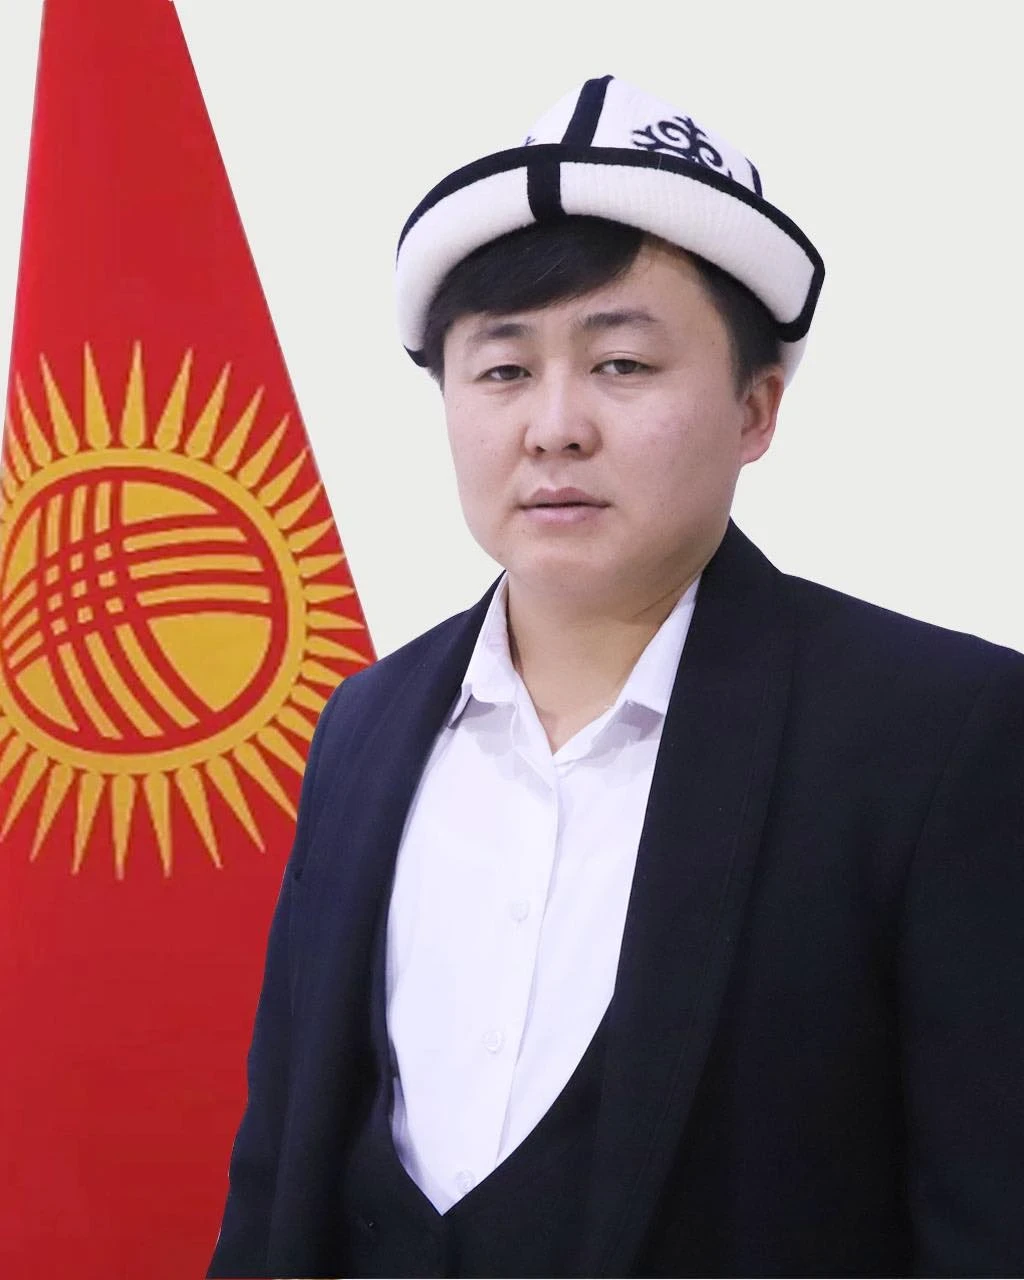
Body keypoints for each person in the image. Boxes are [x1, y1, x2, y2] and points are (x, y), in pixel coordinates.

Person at [208, 76, 1024, 1278]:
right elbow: (281, 1165)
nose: (553, 426)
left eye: (622, 363)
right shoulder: (363, 720)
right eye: (501, 370)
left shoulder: (941, 732)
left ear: (755, 410)